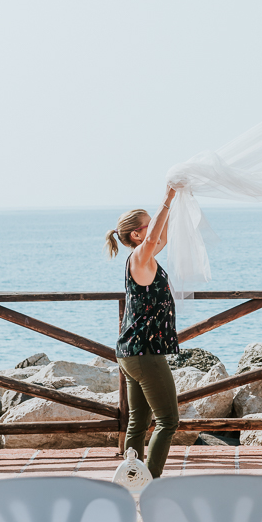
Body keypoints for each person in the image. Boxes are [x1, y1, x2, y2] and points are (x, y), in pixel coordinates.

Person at [105, 186, 179, 478]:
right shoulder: (139, 257)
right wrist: (167, 198)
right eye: (148, 226)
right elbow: (153, 238)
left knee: (137, 421)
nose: (154, 234)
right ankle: (152, 480)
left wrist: (174, 205)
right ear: (136, 235)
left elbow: (161, 236)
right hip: (145, 354)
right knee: (168, 420)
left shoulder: (145, 259)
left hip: (130, 352)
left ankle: (132, 479)